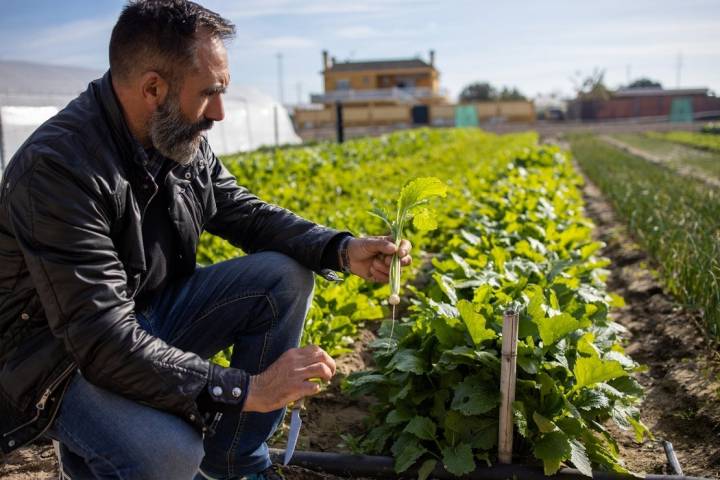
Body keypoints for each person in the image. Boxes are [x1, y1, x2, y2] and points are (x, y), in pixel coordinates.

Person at [0, 1, 412, 478]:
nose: (218, 112)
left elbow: (243, 212)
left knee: (281, 278)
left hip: (141, 320)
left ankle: (235, 462)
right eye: (209, 93)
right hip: (59, 364)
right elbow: (99, 338)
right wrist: (245, 390)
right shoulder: (58, 169)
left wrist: (339, 248)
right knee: (168, 454)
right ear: (153, 87)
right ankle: (96, 453)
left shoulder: (173, 133)